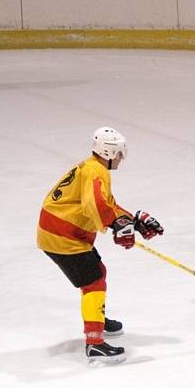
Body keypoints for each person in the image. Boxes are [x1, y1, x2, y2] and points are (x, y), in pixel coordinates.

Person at [37, 127, 164, 364]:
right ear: (109, 151)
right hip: (62, 237)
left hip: (60, 232)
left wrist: (132, 221)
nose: (120, 159)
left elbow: (106, 203)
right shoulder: (97, 172)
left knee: (97, 274)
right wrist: (118, 225)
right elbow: (94, 205)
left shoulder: (93, 167)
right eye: (119, 155)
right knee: (93, 281)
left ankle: (96, 316)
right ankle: (94, 343)